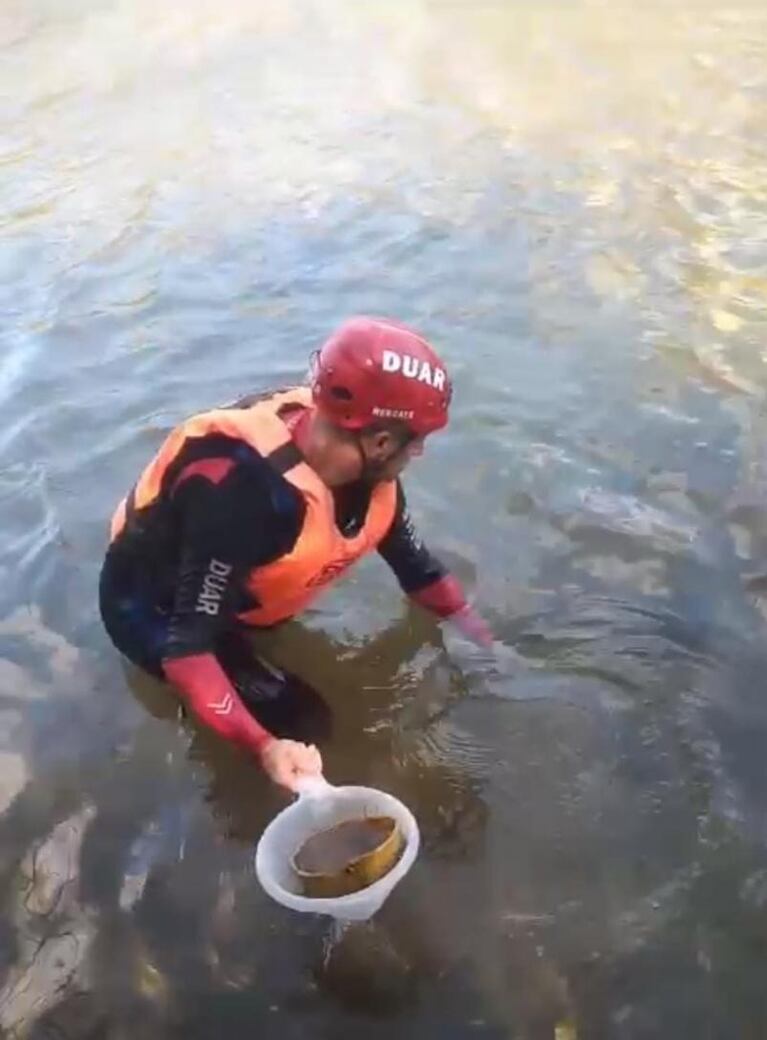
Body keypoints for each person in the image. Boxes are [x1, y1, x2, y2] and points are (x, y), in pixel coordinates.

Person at [100, 316, 492, 791]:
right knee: (307, 726)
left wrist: (484, 641)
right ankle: (232, 805)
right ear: (382, 441)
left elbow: (418, 568)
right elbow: (189, 650)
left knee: (342, 699)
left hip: (235, 585)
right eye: (419, 442)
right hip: (152, 604)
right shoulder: (243, 496)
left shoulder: (367, 466)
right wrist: (265, 747)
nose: (420, 454)